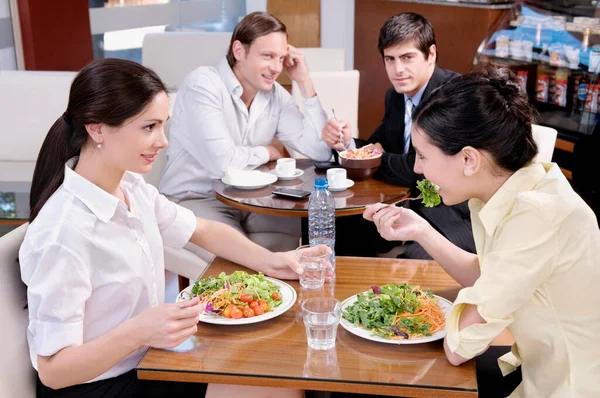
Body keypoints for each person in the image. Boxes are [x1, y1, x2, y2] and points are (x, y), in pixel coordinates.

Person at [19, 58, 311, 398]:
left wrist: (274, 262)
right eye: (148, 127)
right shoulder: (63, 233)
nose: (163, 141)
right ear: (96, 129)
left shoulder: (129, 187)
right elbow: (55, 371)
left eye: (163, 125)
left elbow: (202, 229)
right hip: (99, 386)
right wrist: (140, 331)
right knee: (275, 386)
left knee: (279, 371)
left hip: (149, 360)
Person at [365, 66, 600, 397]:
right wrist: (421, 230)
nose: (417, 168)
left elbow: (459, 348)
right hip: (535, 368)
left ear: (468, 160)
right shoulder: (519, 187)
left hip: (564, 387)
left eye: (422, 156)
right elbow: (491, 275)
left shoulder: (536, 214)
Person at [159, 11, 333, 259]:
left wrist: (304, 83)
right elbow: (223, 165)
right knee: (246, 265)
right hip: (195, 200)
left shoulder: (275, 95)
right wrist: (268, 152)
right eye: (267, 56)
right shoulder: (203, 85)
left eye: (281, 58)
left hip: (253, 200)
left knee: (290, 249)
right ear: (239, 51)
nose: (276, 68)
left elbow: (320, 151)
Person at [322, 13, 474, 259]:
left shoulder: (452, 95)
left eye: (407, 57)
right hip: (405, 205)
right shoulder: (395, 96)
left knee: (413, 263)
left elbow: (416, 168)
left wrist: (375, 156)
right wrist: (347, 142)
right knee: (336, 228)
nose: (398, 69)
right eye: (389, 59)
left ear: (431, 54)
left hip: (451, 214)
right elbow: (376, 146)